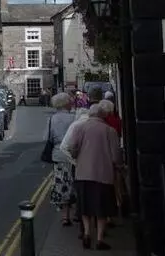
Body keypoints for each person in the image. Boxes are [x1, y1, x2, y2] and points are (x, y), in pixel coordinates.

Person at [62, 100, 122, 250]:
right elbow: (116, 156)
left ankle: (87, 233)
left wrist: (77, 157)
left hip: (82, 173)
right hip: (103, 175)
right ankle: (100, 239)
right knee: (102, 208)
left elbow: (70, 147)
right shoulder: (110, 131)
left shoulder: (80, 128)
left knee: (85, 206)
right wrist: (119, 167)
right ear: (103, 115)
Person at [47, 92, 77, 226]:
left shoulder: (52, 119)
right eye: (70, 101)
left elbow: (47, 138)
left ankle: (65, 217)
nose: (71, 103)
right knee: (75, 184)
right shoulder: (73, 118)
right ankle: (78, 213)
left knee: (61, 185)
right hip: (73, 155)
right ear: (65, 103)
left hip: (58, 155)